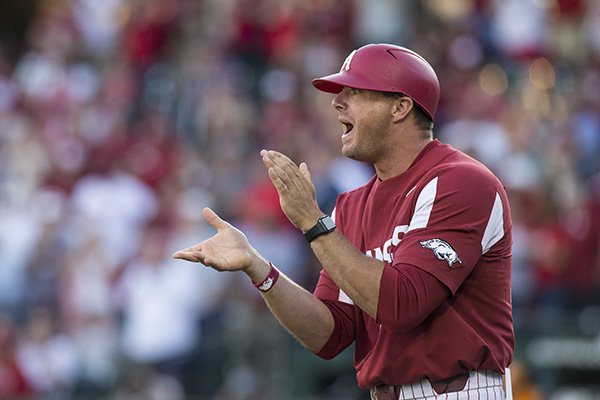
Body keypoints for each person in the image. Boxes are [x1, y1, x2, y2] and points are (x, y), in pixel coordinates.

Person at [173, 43, 514, 399]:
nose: (337, 102)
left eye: (356, 92)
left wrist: (312, 222)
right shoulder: (351, 205)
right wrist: (258, 267)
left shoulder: (461, 181)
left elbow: (404, 304)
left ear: (400, 107)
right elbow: (330, 333)